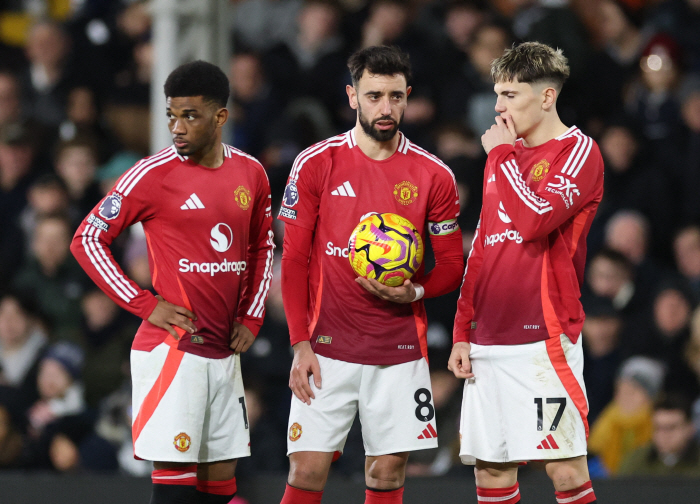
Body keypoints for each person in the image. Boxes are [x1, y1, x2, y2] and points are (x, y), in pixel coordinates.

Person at [70, 60, 274, 504]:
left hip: (224, 350)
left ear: (220, 117)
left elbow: (262, 246)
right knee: (176, 487)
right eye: (171, 115)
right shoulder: (152, 174)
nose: (176, 127)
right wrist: (145, 304)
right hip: (174, 350)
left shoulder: (251, 173)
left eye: (190, 116)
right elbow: (86, 239)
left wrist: (252, 316)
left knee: (221, 482)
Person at [277, 45, 464, 504]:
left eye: (396, 97)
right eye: (374, 96)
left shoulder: (433, 175)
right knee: (307, 468)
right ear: (352, 96)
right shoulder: (316, 163)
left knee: (387, 472)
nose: (386, 108)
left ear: (407, 97)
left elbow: (451, 266)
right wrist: (299, 344)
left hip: (398, 349)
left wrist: (414, 292)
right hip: (326, 346)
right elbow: (294, 261)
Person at [449, 42, 604, 504]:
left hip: (543, 338)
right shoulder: (504, 157)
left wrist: (500, 157)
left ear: (547, 96)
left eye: (510, 95)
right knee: (492, 471)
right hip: (488, 338)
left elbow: (535, 221)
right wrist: (462, 331)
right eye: (497, 94)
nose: (498, 107)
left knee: (565, 469)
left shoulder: (578, 151)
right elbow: (483, 248)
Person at [618, 393, 700, 476]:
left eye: (671, 428)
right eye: (658, 428)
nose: (664, 435)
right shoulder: (636, 460)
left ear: (690, 428)